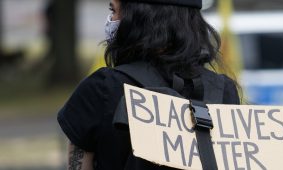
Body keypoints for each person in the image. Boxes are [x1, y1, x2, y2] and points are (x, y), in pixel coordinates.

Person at [57, 0, 240, 169]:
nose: (111, 19)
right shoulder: (224, 90)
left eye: (113, 10)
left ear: (137, 18)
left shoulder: (103, 88)